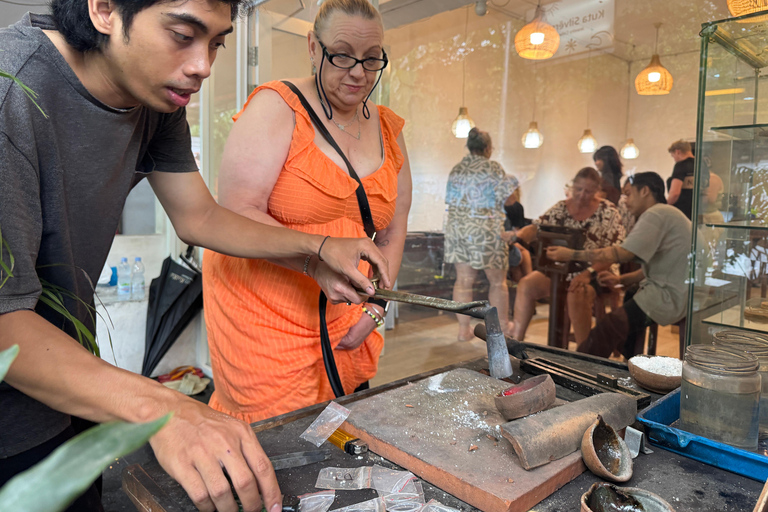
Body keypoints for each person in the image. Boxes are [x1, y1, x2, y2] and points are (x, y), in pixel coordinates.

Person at [0, 1, 393, 511]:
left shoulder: (155, 96)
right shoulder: (12, 91)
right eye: (182, 35)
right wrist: (164, 409)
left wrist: (314, 250)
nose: (203, 65)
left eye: (216, 42)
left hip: (69, 374)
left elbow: (200, 218)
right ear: (103, 9)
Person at [202, 0, 412, 423]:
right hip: (263, 313)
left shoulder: (388, 127)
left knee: (336, 432)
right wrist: (314, 259)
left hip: (343, 312)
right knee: (275, 439)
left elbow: (392, 228)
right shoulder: (277, 107)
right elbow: (236, 213)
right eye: (342, 55)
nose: (358, 72)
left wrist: (377, 308)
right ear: (314, 48)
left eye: (372, 59)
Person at [547, 172, 692, 359]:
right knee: (631, 294)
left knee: (608, 327)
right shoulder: (667, 213)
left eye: (629, 193)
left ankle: (582, 366)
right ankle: (629, 361)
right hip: (681, 288)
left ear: (645, 191)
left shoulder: (657, 213)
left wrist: (571, 254)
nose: (625, 200)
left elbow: (622, 253)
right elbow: (656, 265)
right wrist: (621, 279)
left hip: (675, 293)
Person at [508, 167, 625, 346]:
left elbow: (615, 251)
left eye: (588, 191)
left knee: (575, 292)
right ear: (572, 186)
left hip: (597, 270)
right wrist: (517, 237)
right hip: (560, 270)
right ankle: (515, 343)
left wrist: (588, 273)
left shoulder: (608, 211)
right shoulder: (561, 208)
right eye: (578, 189)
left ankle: (583, 352)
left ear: (597, 191)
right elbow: (537, 226)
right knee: (526, 284)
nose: (581, 195)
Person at [444, 128, 516, 340]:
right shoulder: (493, 167)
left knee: (463, 280)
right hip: (487, 231)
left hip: (459, 231)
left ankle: (463, 330)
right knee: (497, 282)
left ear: (469, 147)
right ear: (487, 148)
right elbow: (509, 199)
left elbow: (450, 201)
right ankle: (501, 329)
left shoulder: (457, 169)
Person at [503, 188, 532, 283]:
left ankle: (522, 287)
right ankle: (529, 283)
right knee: (524, 253)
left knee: (518, 263)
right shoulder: (516, 207)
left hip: (503, 243)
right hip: (503, 244)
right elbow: (517, 231)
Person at [667, 139, 696, 219]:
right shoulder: (701, 164)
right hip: (697, 211)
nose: (674, 159)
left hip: (682, 212)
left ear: (677, 152)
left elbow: (675, 193)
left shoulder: (681, 166)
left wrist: (665, 206)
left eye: (673, 156)